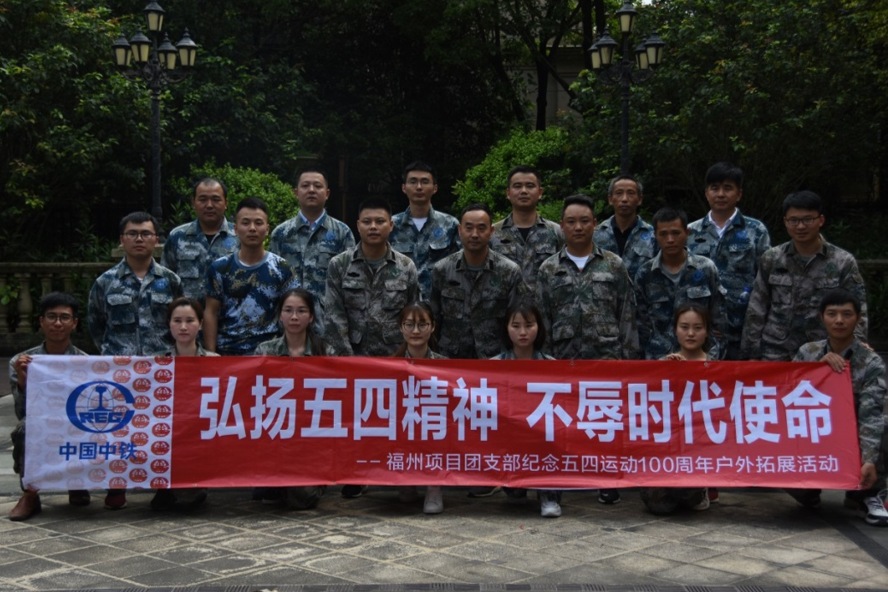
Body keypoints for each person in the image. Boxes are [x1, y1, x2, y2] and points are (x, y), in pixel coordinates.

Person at [537, 194, 638, 505]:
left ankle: (606, 480)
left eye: (584, 221)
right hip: (561, 359)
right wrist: (543, 363)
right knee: (560, 423)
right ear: (561, 226)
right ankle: (556, 481)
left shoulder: (614, 264)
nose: (578, 227)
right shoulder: (548, 268)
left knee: (602, 422)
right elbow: (541, 319)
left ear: (595, 224)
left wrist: (628, 362)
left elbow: (626, 314)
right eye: (571, 222)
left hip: (605, 358)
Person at [790, 289, 888, 527]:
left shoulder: (871, 362)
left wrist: (869, 460)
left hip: (851, 432)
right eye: (832, 314)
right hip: (815, 430)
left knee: (883, 427)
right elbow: (786, 394)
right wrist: (816, 370)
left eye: (847, 314)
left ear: (858, 318)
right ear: (822, 317)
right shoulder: (808, 352)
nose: (839, 321)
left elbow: (871, 415)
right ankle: (808, 492)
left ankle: (868, 494)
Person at [742, 190, 868, 361]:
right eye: (794, 220)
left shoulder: (842, 262)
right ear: (785, 222)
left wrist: (854, 350)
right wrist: (751, 353)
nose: (800, 226)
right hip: (775, 352)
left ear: (820, 220)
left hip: (824, 354)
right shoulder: (772, 259)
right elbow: (757, 307)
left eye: (808, 219)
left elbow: (858, 309)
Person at [9, 293, 89, 521]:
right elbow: (22, 412)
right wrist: (23, 379)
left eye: (64, 317)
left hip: (73, 419)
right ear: (41, 321)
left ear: (74, 323)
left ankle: (77, 483)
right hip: (40, 419)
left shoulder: (86, 361)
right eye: (52, 317)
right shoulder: (22, 361)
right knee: (25, 429)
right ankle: (30, 493)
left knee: (93, 428)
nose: (58, 323)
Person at [253, 289, 330, 510]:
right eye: (288, 310)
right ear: (280, 315)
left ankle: (311, 481)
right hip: (275, 433)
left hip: (312, 437)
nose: (294, 317)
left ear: (311, 316)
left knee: (302, 499)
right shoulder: (265, 351)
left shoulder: (325, 352)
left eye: (301, 311)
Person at [688, 163, 770, 360]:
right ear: (706, 193)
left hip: (743, 328)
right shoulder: (690, 232)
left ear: (739, 194)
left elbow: (765, 280)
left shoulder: (756, 231)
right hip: (700, 331)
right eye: (715, 188)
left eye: (728, 188)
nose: (721, 194)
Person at [639, 303, 712, 515]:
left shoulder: (717, 366)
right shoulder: (663, 363)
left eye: (698, 328)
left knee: (689, 495)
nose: (691, 333)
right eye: (684, 327)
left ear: (707, 331)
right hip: (666, 449)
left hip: (700, 448)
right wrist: (668, 371)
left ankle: (701, 489)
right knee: (658, 505)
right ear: (675, 330)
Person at [490, 302, 562, 517]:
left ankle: (549, 494)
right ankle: (515, 484)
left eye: (529, 325)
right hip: (509, 436)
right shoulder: (492, 366)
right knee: (514, 495)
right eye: (516, 326)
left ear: (539, 327)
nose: (523, 332)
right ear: (506, 328)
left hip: (542, 435)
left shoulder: (552, 365)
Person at [430, 203, 529, 360]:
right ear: (459, 230)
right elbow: (434, 320)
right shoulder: (443, 270)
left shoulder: (509, 271)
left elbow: (517, 321)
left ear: (491, 231)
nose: (475, 234)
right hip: (451, 361)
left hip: (495, 360)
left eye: (481, 228)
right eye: (469, 228)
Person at [325, 197, 420, 358]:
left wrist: (404, 357)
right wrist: (347, 360)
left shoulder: (406, 266)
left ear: (391, 225)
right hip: (353, 358)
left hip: (395, 358)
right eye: (367, 222)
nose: (373, 227)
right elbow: (334, 317)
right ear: (358, 226)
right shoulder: (339, 264)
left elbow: (413, 315)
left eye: (380, 221)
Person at [148, 297, 218, 511]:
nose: (184, 327)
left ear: (201, 324)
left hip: (201, 435)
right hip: (165, 433)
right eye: (177, 321)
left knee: (191, 498)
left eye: (190, 321)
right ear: (169, 324)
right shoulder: (155, 362)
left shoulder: (215, 361)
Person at [204, 197, 299, 355]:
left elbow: (293, 312)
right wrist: (210, 355)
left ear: (267, 229)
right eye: (246, 223)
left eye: (258, 223)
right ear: (235, 229)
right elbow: (211, 313)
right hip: (228, 353)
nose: (252, 228)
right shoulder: (219, 268)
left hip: (270, 354)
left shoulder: (282, 268)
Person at [268, 168, 356, 333]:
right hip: (289, 326)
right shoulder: (281, 234)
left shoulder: (342, 233)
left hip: (329, 326)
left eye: (317, 186)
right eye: (305, 186)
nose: (311, 190)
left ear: (327, 193)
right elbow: (273, 282)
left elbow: (350, 283)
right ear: (296, 192)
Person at [634, 207, 726, 360]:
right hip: (659, 360)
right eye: (663, 234)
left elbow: (719, 321)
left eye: (676, 233)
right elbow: (640, 324)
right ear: (655, 235)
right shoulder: (645, 273)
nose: (670, 239)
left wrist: (711, 359)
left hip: (700, 361)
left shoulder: (705, 269)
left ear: (687, 232)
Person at [88, 211, 183, 358]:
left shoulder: (171, 280)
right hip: (119, 364)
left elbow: (181, 320)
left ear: (156, 240)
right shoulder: (105, 282)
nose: (139, 239)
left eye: (146, 234)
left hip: (161, 363)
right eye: (132, 234)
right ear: (122, 240)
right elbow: (96, 326)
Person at [391, 301, 447, 514]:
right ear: (401, 327)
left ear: (432, 327)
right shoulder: (389, 365)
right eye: (409, 324)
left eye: (422, 325)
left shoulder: (446, 365)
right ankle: (407, 478)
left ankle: (433, 487)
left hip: (434, 425)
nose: (415, 331)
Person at [389, 161, 461, 299]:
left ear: (435, 188)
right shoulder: (391, 225)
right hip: (400, 302)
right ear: (404, 188)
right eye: (413, 182)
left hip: (438, 302)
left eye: (425, 182)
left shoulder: (450, 225)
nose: (419, 187)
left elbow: (461, 265)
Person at [161, 177, 238, 303]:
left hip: (228, 313)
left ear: (226, 203)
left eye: (216, 199)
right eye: (203, 199)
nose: (209, 205)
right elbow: (166, 280)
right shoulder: (177, 236)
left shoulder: (239, 236)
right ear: (193, 202)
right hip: (188, 313)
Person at [489, 165, 563, 293]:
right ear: (508, 193)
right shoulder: (492, 233)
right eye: (517, 186)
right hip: (504, 304)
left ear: (540, 193)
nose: (523, 191)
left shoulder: (557, 232)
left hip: (543, 304)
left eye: (530, 186)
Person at [593, 174, 658, 281]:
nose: (624, 199)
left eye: (630, 193)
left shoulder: (653, 236)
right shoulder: (595, 234)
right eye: (619, 193)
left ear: (640, 199)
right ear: (610, 199)